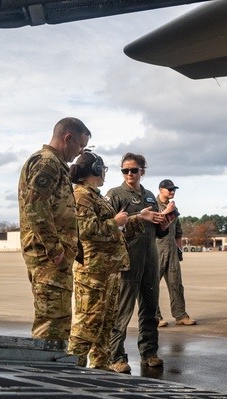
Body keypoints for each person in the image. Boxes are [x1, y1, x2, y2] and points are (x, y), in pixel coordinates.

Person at [68, 151, 159, 369]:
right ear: (96, 170)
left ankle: (101, 367)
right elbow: (86, 230)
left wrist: (137, 219)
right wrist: (116, 222)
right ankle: (73, 370)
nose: (105, 174)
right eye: (104, 169)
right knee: (86, 324)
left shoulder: (95, 195)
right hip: (93, 272)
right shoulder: (81, 195)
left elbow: (116, 230)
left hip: (108, 270)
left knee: (104, 323)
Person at [17, 117, 91, 349]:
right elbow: (35, 207)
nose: (80, 153)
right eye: (80, 145)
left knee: (56, 320)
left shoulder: (54, 164)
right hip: (48, 259)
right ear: (67, 138)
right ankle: (43, 375)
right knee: (52, 323)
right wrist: (54, 249)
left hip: (52, 258)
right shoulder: (47, 163)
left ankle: (46, 370)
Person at [106, 153, 170, 373]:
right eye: (125, 170)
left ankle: (149, 352)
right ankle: (115, 356)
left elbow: (156, 231)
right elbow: (108, 227)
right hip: (127, 259)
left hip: (150, 258)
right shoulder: (115, 195)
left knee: (150, 309)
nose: (130, 174)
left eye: (134, 170)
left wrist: (164, 223)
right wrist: (136, 218)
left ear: (143, 170)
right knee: (122, 310)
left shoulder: (151, 196)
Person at [154, 179, 196, 326]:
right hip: (156, 250)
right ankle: (155, 317)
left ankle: (180, 315)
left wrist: (179, 250)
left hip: (171, 250)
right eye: (169, 189)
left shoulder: (173, 208)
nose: (172, 192)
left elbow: (178, 231)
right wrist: (167, 211)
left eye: (173, 189)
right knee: (152, 285)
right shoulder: (152, 205)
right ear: (161, 190)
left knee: (176, 283)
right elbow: (154, 225)